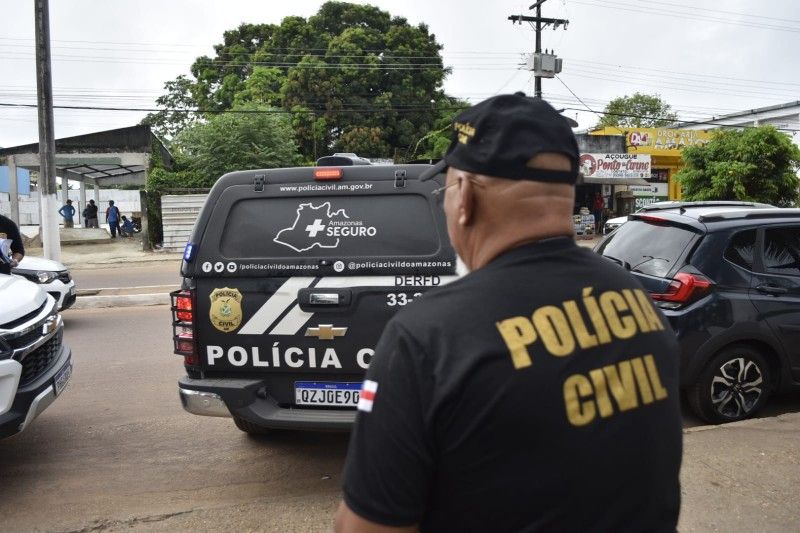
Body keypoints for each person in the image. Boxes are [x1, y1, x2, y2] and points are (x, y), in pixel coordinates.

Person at [336, 93, 682, 533]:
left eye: (446, 191)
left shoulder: (427, 337)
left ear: (464, 198)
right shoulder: (638, 301)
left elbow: (364, 528)